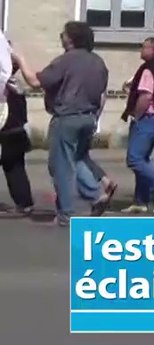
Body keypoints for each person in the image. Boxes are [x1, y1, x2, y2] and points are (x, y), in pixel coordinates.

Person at [14, 21, 113, 226]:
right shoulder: (98, 62)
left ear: (70, 39)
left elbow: (34, 81)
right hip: (88, 117)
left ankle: (66, 213)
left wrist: (20, 60)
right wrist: (95, 118)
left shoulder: (65, 61)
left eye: (64, 34)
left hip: (67, 117)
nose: (61, 37)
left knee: (60, 167)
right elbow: (102, 95)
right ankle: (96, 194)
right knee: (76, 159)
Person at [120, 37, 154, 214]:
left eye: (144, 47)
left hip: (148, 118)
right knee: (142, 158)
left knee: (134, 159)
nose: (141, 50)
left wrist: (136, 115)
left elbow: (146, 96)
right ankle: (140, 200)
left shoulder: (149, 69)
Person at [0, 62, 33, 215]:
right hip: (16, 131)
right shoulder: (15, 84)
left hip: (6, 132)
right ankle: (24, 202)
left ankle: (24, 202)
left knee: (14, 168)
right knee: (15, 168)